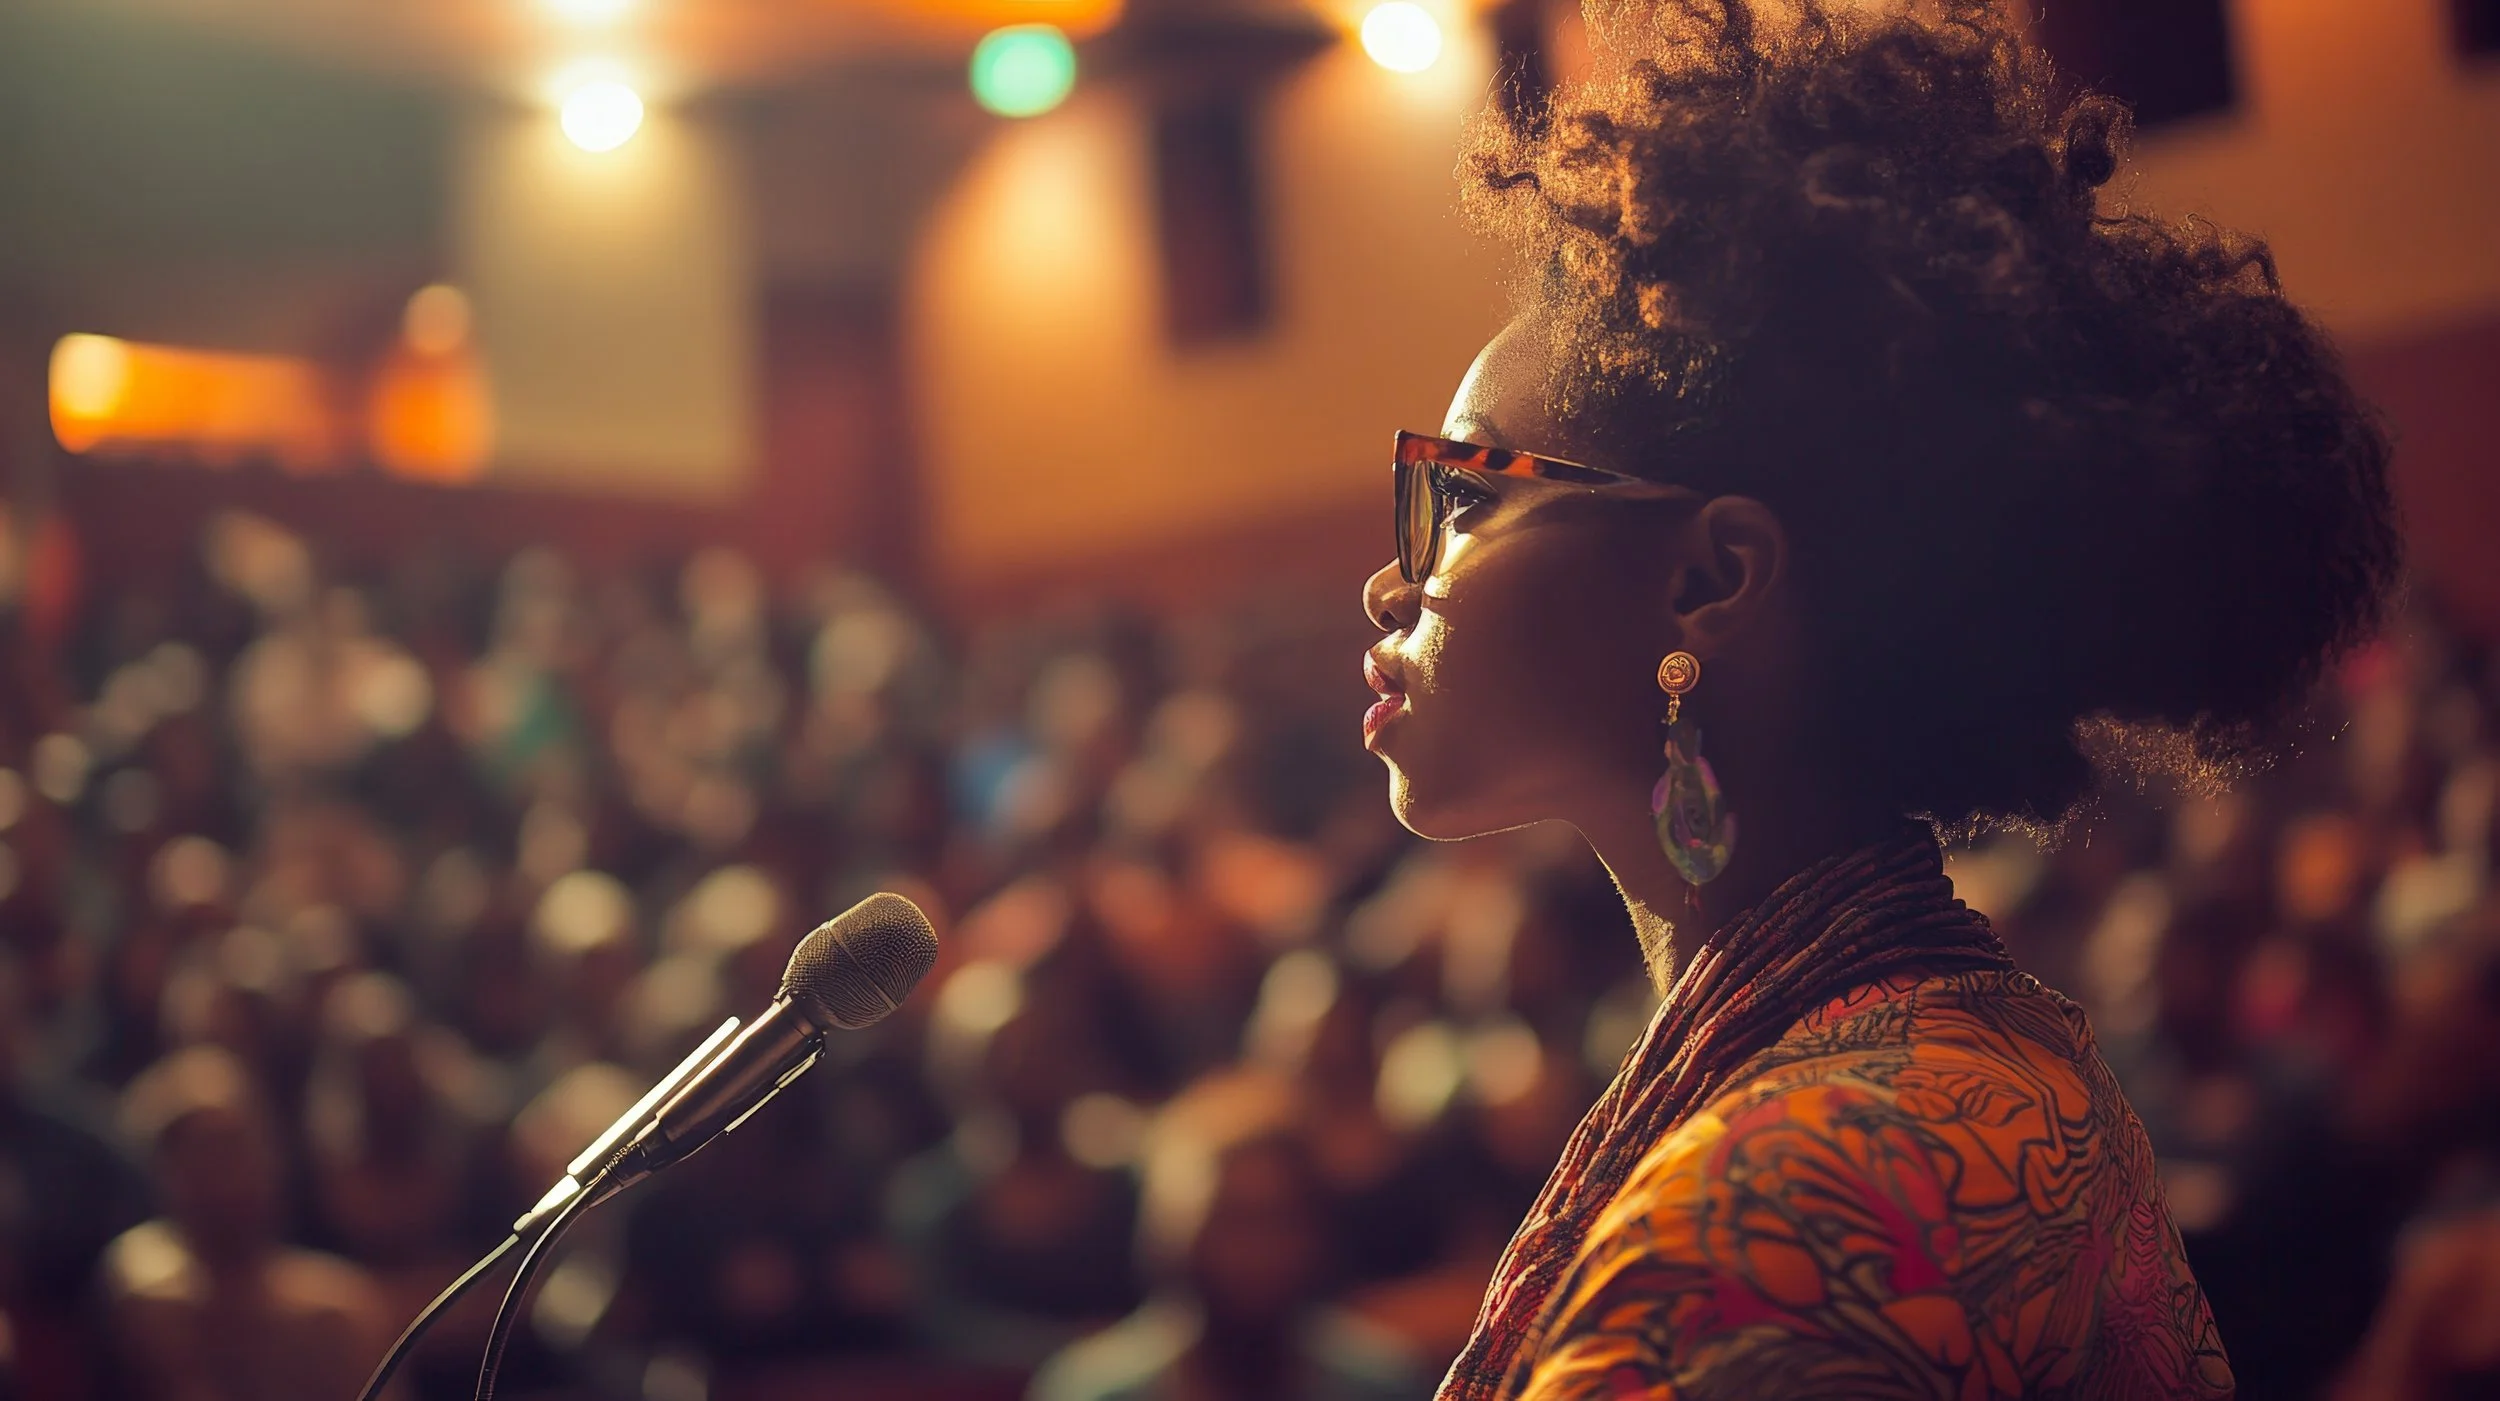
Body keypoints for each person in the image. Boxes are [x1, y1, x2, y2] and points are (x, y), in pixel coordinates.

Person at [1354, 1, 2399, 1396]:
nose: (1392, 580)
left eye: (1471, 494)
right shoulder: (1989, 1051)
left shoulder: (1770, 1218)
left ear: (1711, 578)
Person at [1030, 1069, 1428, 1401]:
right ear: (1165, 1227)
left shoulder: (1382, 1388)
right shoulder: (1088, 1392)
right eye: (1231, 1219)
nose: (1255, 1251)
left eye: (1278, 1220)